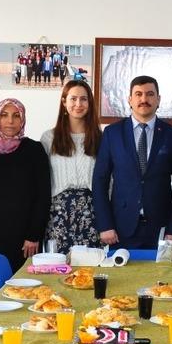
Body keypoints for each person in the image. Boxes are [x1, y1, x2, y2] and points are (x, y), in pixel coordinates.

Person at [92, 75, 172, 249]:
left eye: (150, 94)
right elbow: (99, 181)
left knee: (160, 277)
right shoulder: (112, 134)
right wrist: (105, 224)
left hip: (161, 230)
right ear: (130, 100)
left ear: (158, 100)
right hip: (120, 229)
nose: (144, 99)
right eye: (138, 94)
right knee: (121, 277)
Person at [0, 98, 51, 273]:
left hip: (24, 239)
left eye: (16, 115)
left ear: (23, 120)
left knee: (25, 291)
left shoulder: (34, 149)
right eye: (4, 115)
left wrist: (33, 236)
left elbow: (43, 195)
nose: (10, 121)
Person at [41, 80, 103, 253]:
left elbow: (110, 181)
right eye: (73, 98)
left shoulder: (102, 138)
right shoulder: (48, 138)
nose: (78, 104)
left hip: (92, 212)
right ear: (64, 102)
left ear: (90, 103)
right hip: (58, 213)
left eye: (83, 99)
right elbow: (42, 182)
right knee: (59, 269)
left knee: (89, 270)